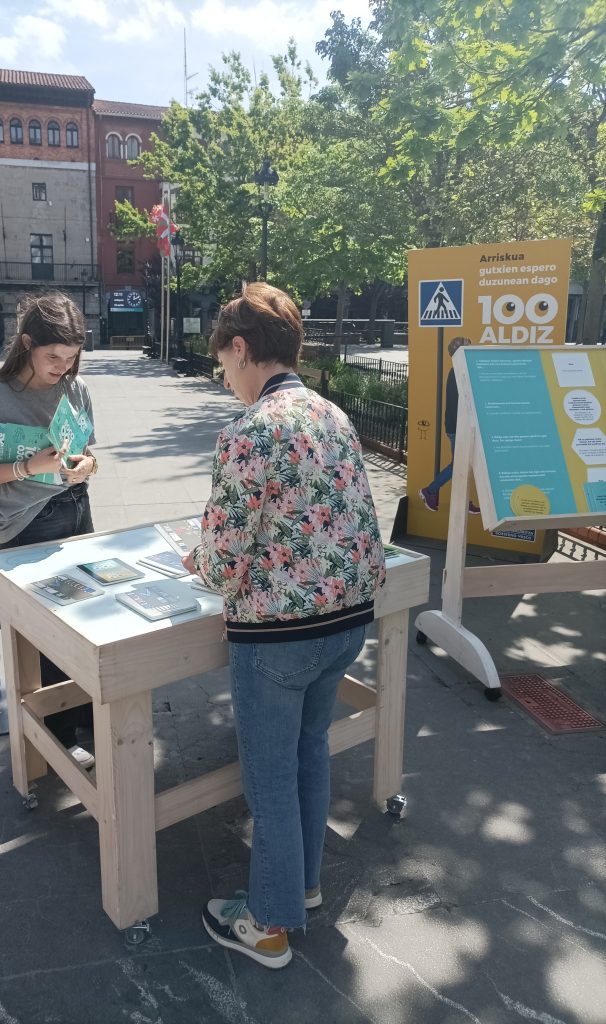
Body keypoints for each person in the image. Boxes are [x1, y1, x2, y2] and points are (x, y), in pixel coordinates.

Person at [182, 283, 387, 969]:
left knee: (268, 780)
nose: (226, 378)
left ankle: (269, 924)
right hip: (347, 622)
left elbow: (223, 561)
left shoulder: (249, 431)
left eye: (224, 364)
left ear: (242, 349)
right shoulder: (333, 415)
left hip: (278, 637)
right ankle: (302, 887)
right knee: (309, 756)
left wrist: (200, 557)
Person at [0, 292, 98, 766]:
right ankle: (60, 734)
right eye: (53, 357)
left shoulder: (75, 388)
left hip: (76, 508)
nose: (63, 367)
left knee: (85, 618)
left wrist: (86, 466)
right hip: (27, 522)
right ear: (26, 344)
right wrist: (26, 467)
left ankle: (86, 715)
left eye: (71, 357)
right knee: (47, 634)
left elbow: (87, 452)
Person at [419, 335, 480, 514]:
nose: (471, 351)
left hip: (459, 427)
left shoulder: (460, 371)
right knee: (459, 465)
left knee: (462, 465)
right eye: (468, 348)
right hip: (458, 428)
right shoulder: (458, 373)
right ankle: (431, 490)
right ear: (460, 352)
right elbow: (459, 405)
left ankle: (460, 500)